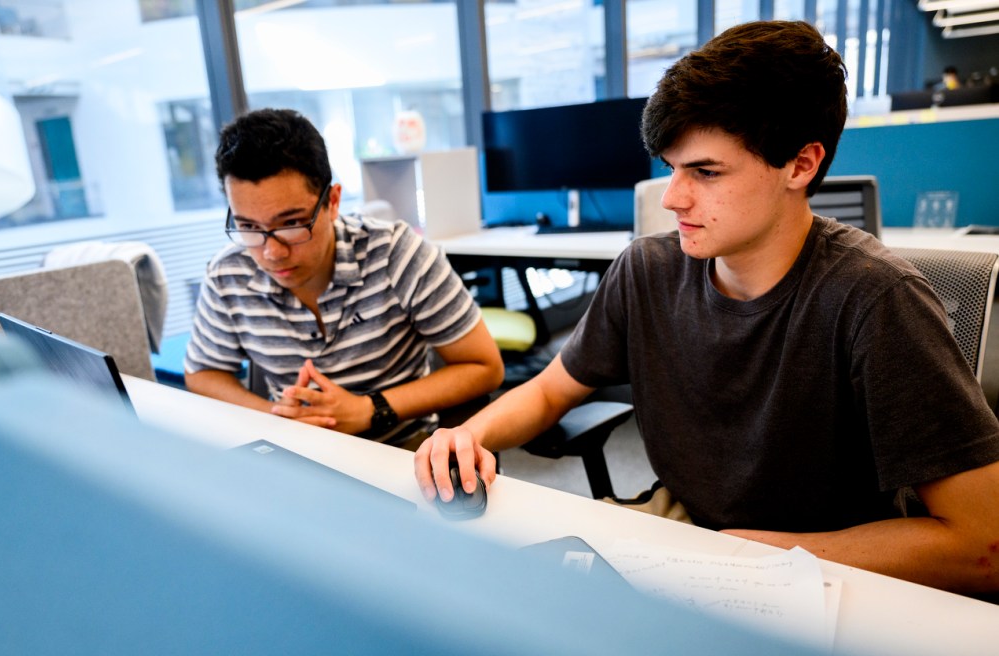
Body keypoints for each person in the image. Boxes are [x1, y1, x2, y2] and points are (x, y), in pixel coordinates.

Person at [415, 20, 999, 596]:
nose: (672, 198)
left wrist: (762, 556)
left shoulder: (876, 300)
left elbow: (982, 545)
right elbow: (549, 392)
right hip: (687, 535)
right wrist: (470, 434)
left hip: (829, 566)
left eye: (706, 172)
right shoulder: (648, 270)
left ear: (801, 164)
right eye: (672, 168)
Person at [185, 108, 503, 450]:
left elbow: (484, 366)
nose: (271, 252)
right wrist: (273, 416)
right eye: (248, 227)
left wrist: (370, 409)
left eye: (292, 224)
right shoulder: (227, 273)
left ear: (332, 201)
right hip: (296, 456)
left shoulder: (397, 254)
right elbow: (202, 373)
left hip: (400, 447)